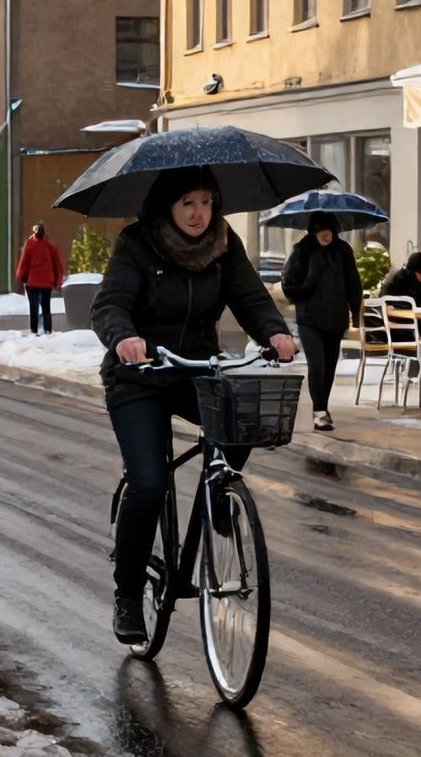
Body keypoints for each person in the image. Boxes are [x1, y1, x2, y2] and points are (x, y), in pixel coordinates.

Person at [92, 166, 295, 646]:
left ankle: (218, 496)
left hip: (195, 370)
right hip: (138, 376)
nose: (199, 213)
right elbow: (110, 303)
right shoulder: (137, 243)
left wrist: (275, 332)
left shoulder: (224, 246)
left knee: (241, 423)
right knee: (148, 481)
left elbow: (250, 297)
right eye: (188, 203)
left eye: (206, 202)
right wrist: (124, 338)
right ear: (168, 206)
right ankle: (127, 594)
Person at [281, 211, 362, 431]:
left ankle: (323, 407)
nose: (326, 235)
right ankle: (319, 412)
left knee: (329, 366)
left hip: (335, 318)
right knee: (316, 364)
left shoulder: (343, 251)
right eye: (321, 230)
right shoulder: (302, 250)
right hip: (310, 318)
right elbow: (289, 285)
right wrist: (309, 281)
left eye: (330, 230)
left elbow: (354, 282)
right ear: (313, 231)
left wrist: (356, 311)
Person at [15, 222, 64, 335]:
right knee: (46, 307)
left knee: (34, 308)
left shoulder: (30, 244)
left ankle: (34, 330)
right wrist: (57, 281)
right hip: (46, 283)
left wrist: (21, 277)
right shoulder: (50, 247)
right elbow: (57, 265)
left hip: (32, 283)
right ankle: (47, 329)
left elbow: (24, 262)